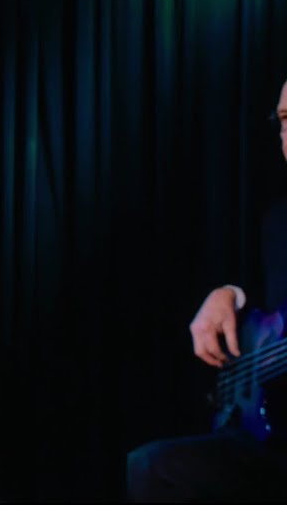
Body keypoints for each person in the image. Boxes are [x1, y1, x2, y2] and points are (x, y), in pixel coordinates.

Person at [126, 78, 287, 502]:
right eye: (285, 120)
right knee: (151, 466)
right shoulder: (277, 221)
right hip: (272, 436)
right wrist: (228, 293)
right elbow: (269, 307)